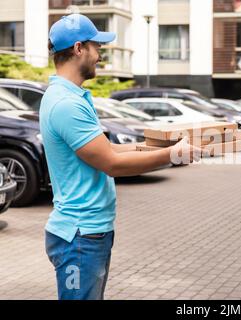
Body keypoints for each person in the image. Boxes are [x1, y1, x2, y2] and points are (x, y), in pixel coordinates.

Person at [41, 14, 203, 300]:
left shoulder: (71, 97)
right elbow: (111, 164)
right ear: (79, 48)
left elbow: (108, 149)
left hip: (89, 233)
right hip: (79, 237)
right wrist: (173, 156)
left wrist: (155, 145)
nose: (100, 55)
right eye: (96, 46)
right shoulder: (66, 104)